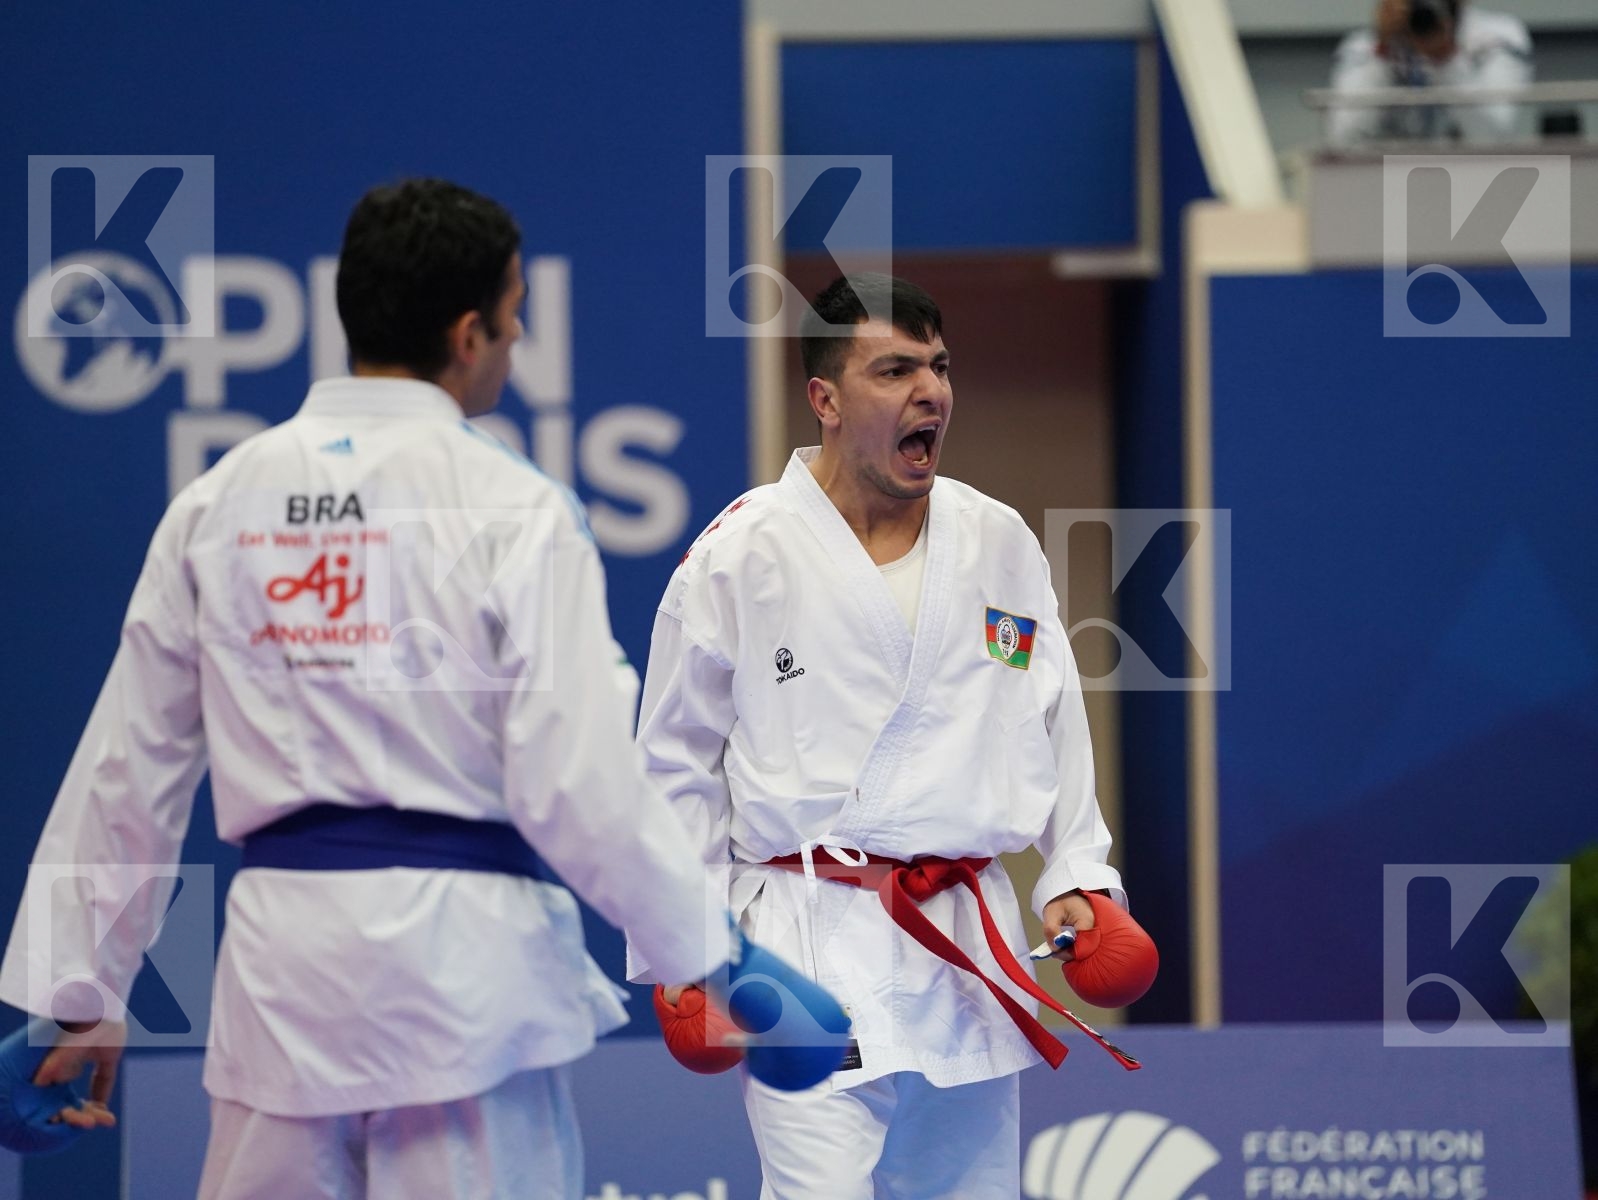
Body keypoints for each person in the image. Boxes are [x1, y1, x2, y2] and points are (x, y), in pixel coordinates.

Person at [0, 178, 839, 1198]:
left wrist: (73, 996)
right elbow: (575, 784)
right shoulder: (515, 507)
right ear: (469, 332)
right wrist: (718, 961)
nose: (518, 338)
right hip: (467, 988)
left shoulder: (217, 504)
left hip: (283, 980)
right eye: (514, 314)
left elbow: (130, 766)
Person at [627, 274, 1130, 1199]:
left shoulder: (997, 539)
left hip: (967, 940)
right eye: (894, 370)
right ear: (824, 399)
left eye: (938, 368)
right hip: (804, 943)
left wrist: (1077, 872)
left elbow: (1050, 713)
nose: (930, 391)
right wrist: (686, 947)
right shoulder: (741, 553)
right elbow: (673, 761)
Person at [1327, 0, 1534, 146]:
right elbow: (1344, 141)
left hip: (1474, 185)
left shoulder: (1497, 39)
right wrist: (1382, 53)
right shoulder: (1365, 47)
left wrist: (1445, 59)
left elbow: (1493, 139)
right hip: (1387, 186)